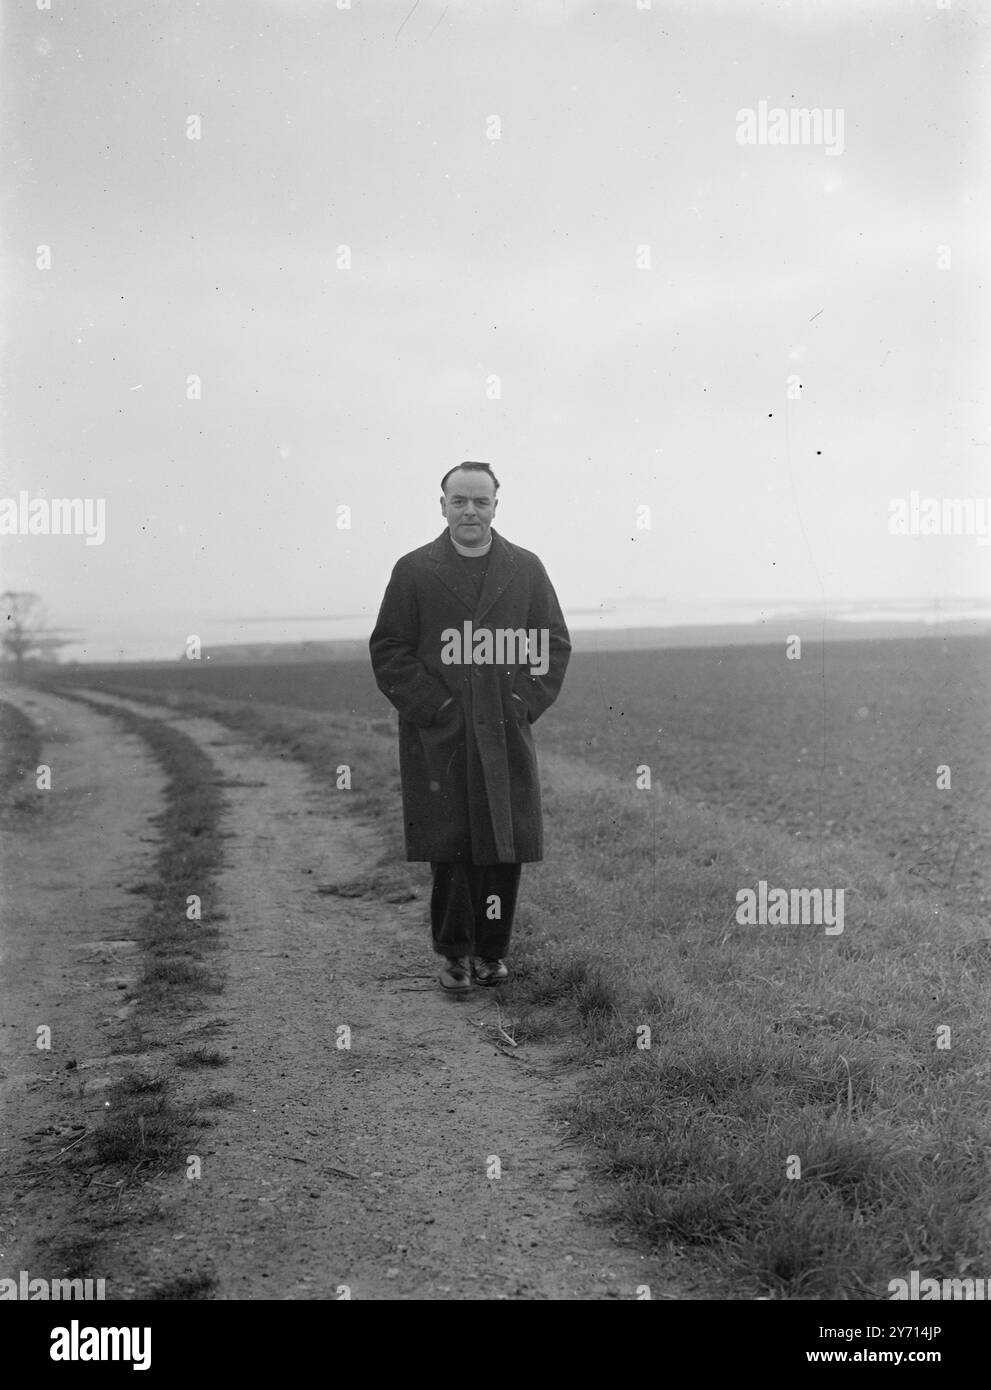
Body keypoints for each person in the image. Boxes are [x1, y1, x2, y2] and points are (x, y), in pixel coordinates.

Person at [369, 462, 571, 995]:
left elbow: (551, 642)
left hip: (504, 731)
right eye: (459, 501)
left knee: (503, 846)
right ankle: (454, 955)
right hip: (441, 735)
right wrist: (434, 707)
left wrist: (523, 702)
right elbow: (389, 648)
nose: (470, 512)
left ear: (496, 507)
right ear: (442, 506)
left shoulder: (525, 568)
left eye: (480, 502)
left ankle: (491, 953)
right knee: (452, 847)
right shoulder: (413, 570)